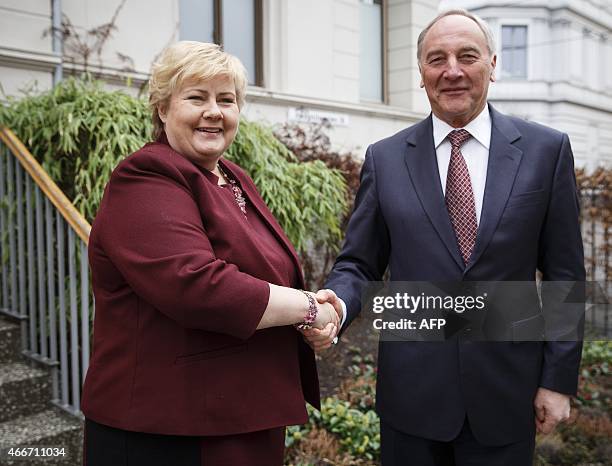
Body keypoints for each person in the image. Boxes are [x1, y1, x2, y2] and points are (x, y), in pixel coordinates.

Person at [305, 9, 585, 466]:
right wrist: (336, 304)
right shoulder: (385, 158)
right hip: (410, 398)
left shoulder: (546, 151)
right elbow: (358, 264)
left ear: (492, 65)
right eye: (437, 59)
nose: (452, 70)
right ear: (421, 74)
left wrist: (557, 380)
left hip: (506, 395)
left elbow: (564, 275)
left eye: (467, 56)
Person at [81, 41, 339, 466]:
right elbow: (198, 285)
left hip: (240, 415)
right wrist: (309, 308)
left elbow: (266, 276)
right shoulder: (147, 176)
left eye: (227, 99)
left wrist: (303, 320)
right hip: (169, 431)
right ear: (163, 109)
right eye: (196, 97)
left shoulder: (231, 178)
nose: (214, 111)